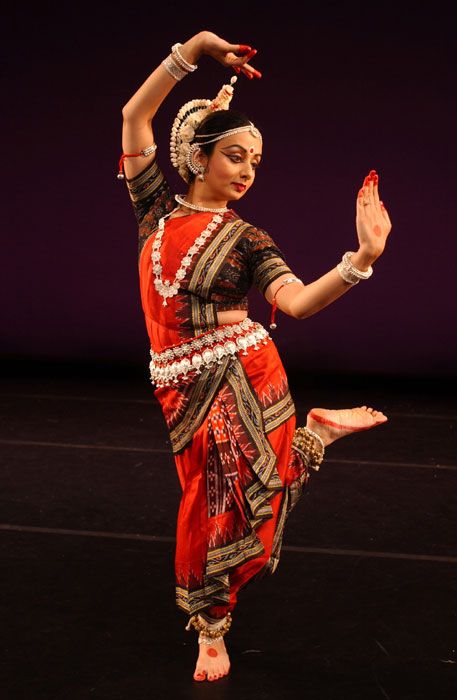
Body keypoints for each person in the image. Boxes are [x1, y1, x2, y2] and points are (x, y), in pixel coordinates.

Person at [119, 31, 392, 683]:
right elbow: (135, 116)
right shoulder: (153, 209)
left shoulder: (247, 239)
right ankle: (315, 436)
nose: (246, 170)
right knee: (215, 496)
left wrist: (360, 260)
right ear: (198, 156)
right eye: (235, 155)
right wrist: (188, 53)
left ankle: (211, 628)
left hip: (247, 376)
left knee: (229, 504)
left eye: (256, 161)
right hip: (182, 385)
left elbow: (294, 304)